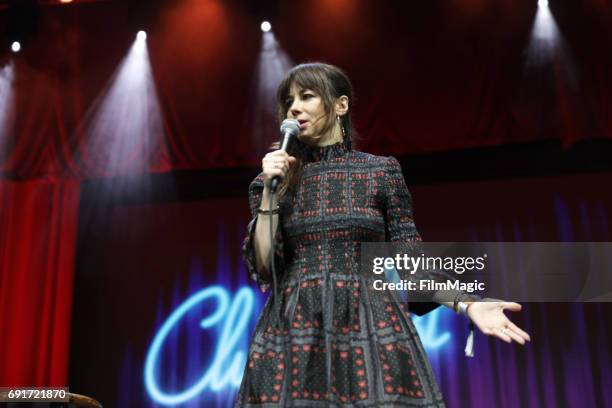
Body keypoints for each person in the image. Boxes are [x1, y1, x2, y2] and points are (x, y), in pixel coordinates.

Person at [235, 62, 530, 407]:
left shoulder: (380, 171)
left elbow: (412, 264)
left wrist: (467, 305)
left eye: (307, 96)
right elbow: (265, 266)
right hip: (294, 329)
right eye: (288, 101)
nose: (294, 107)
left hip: (368, 325)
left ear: (341, 105)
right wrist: (271, 191)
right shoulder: (272, 183)